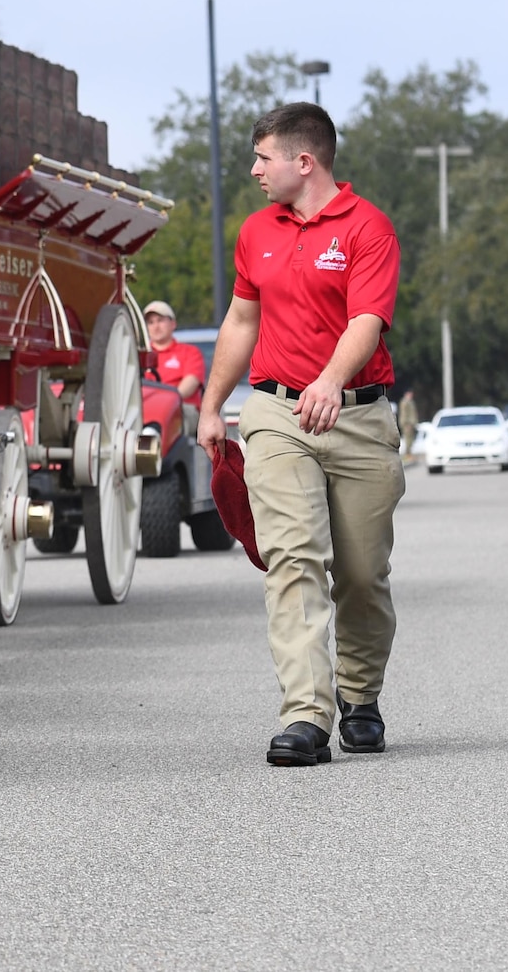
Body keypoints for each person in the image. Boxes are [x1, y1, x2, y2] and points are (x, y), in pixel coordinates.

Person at [198, 102, 405, 767]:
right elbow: (238, 322)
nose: (255, 170)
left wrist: (330, 382)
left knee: (362, 575)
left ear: (303, 161)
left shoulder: (369, 228)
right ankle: (306, 715)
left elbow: (366, 322)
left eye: (264, 158)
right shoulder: (256, 231)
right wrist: (211, 407)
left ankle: (360, 695)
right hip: (277, 415)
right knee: (292, 561)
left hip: (358, 417)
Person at [144, 300, 204, 404]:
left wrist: (167, 403)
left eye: (160, 320)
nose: (156, 327)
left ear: (173, 324)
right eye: (151, 322)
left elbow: (190, 384)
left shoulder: (190, 352)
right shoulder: (140, 355)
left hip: (180, 408)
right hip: (145, 407)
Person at [396, 388, 419, 459]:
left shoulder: (411, 402)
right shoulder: (404, 402)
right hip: (407, 424)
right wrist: (407, 423)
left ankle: (409, 453)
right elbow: (404, 414)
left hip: (411, 424)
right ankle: (407, 454)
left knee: (411, 439)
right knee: (408, 439)